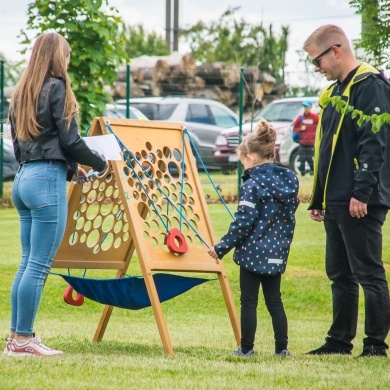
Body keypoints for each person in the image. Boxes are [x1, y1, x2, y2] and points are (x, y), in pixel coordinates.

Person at [4, 32, 107, 357]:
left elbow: (20, 145)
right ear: (58, 57)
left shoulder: (20, 92)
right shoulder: (58, 88)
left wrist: (70, 169)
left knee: (26, 263)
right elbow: (71, 141)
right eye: (67, 55)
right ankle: (24, 340)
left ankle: (15, 339)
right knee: (38, 265)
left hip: (23, 180)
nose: (69, 60)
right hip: (46, 182)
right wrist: (100, 164)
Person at [304, 24, 390, 357]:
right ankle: (339, 342)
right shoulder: (337, 92)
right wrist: (319, 196)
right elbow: (327, 149)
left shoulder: (370, 87)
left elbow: (375, 143)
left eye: (318, 60)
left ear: (336, 50)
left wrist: (362, 192)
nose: (317, 68)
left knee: (368, 272)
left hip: (361, 198)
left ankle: (375, 345)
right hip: (338, 196)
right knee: (340, 273)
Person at [208, 119, 299, 357]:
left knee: (249, 301)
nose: (243, 168)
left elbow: (243, 222)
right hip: (277, 253)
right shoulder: (288, 182)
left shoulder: (252, 185)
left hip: (252, 254)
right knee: (274, 301)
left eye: (242, 162)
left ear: (250, 157)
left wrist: (221, 248)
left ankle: (246, 348)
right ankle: (282, 349)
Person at [292, 100, 318, 176]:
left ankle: (313, 172)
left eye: (307, 106)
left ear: (310, 107)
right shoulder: (300, 118)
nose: (305, 108)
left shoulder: (315, 117)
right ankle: (302, 174)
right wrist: (301, 129)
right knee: (302, 159)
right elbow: (294, 129)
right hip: (302, 142)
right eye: (304, 106)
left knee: (310, 159)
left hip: (311, 143)